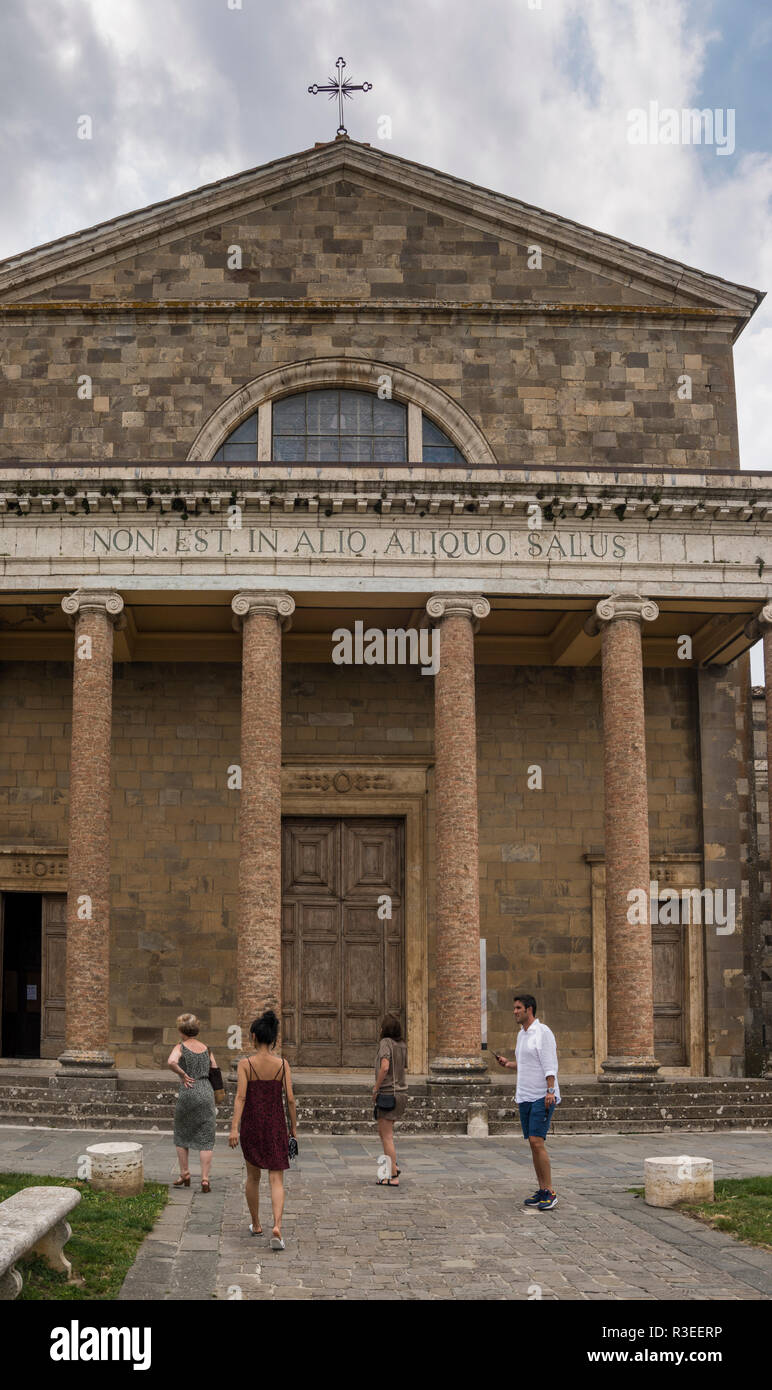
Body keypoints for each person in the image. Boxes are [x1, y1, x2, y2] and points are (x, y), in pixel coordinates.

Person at [229, 1009, 297, 1251]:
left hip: (252, 1125)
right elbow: (289, 1098)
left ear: (254, 1037)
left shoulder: (246, 1064)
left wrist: (234, 1128)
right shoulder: (282, 1065)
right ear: (274, 1039)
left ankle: (256, 1223)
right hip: (276, 1125)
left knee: (253, 1177)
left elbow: (240, 1097)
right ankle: (277, 1226)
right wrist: (293, 1130)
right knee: (276, 1178)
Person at [494, 993, 560, 1211]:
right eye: (514, 1008)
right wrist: (508, 1064)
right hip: (524, 1095)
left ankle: (550, 1191)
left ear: (529, 1009)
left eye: (518, 1008)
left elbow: (549, 1062)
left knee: (537, 1141)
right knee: (532, 1144)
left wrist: (550, 1090)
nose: (514, 1012)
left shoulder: (543, 1032)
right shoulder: (521, 1035)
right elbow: (526, 1063)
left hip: (542, 1095)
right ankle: (541, 1189)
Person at [168, 1012, 217, 1192]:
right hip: (205, 1090)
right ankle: (204, 1178)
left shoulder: (180, 1047)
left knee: (182, 1132)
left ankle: (185, 1173)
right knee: (206, 1136)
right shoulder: (206, 1049)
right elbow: (215, 1069)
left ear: (181, 1030)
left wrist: (182, 1074)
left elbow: (171, 1061)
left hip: (188, 1090)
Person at [373, 1013, 408, 1187]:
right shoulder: (402, 1045)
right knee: (385, 1134)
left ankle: (393, 1175)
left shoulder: (385, 1043)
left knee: (386, 1137)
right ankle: (393, 1166)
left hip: (388, 1093)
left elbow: (385, 1066)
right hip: (401, 1094)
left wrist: (376, 1088)